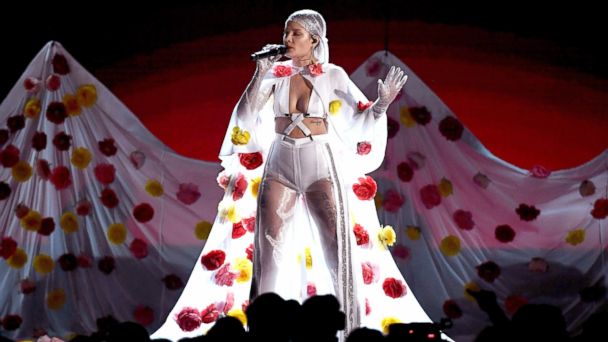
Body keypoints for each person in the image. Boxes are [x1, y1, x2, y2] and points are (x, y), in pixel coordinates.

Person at [152, 9, 435, 341]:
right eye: (286, 33)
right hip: (280, 159)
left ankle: (351, 331)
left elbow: (357, 120)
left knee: (337, 246)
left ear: (314, 39)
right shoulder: (276, 73)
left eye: (295, 34)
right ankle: (261, 330)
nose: (287, 40)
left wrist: (381, 106)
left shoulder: (333, 74)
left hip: (319, 160)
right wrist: (260, 73)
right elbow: (246, 114)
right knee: (267, 248)